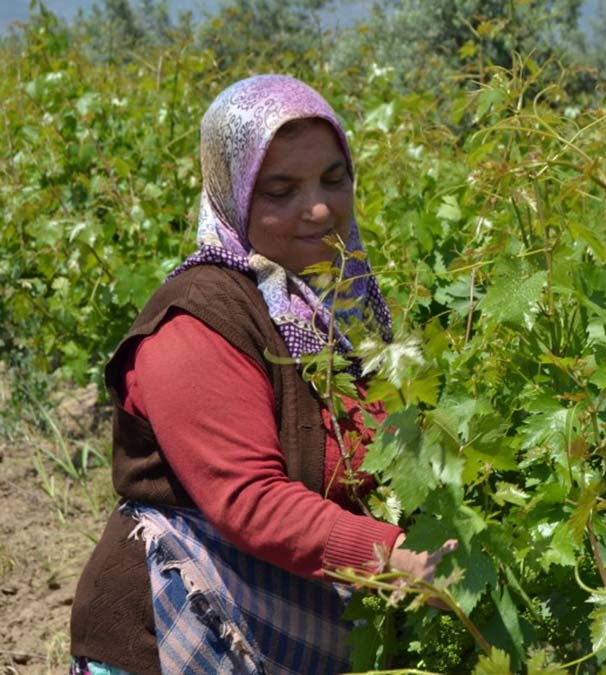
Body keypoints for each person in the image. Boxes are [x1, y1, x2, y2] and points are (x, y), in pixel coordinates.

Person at [69, 75, 456, 675]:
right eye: (281, 189)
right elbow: (248, 499)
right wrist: (397, 556)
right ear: (234, 193)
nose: (321, 208)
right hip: (180, 639)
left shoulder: (344, 305)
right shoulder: (197, 321)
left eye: (333, 178)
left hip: (294, 635)